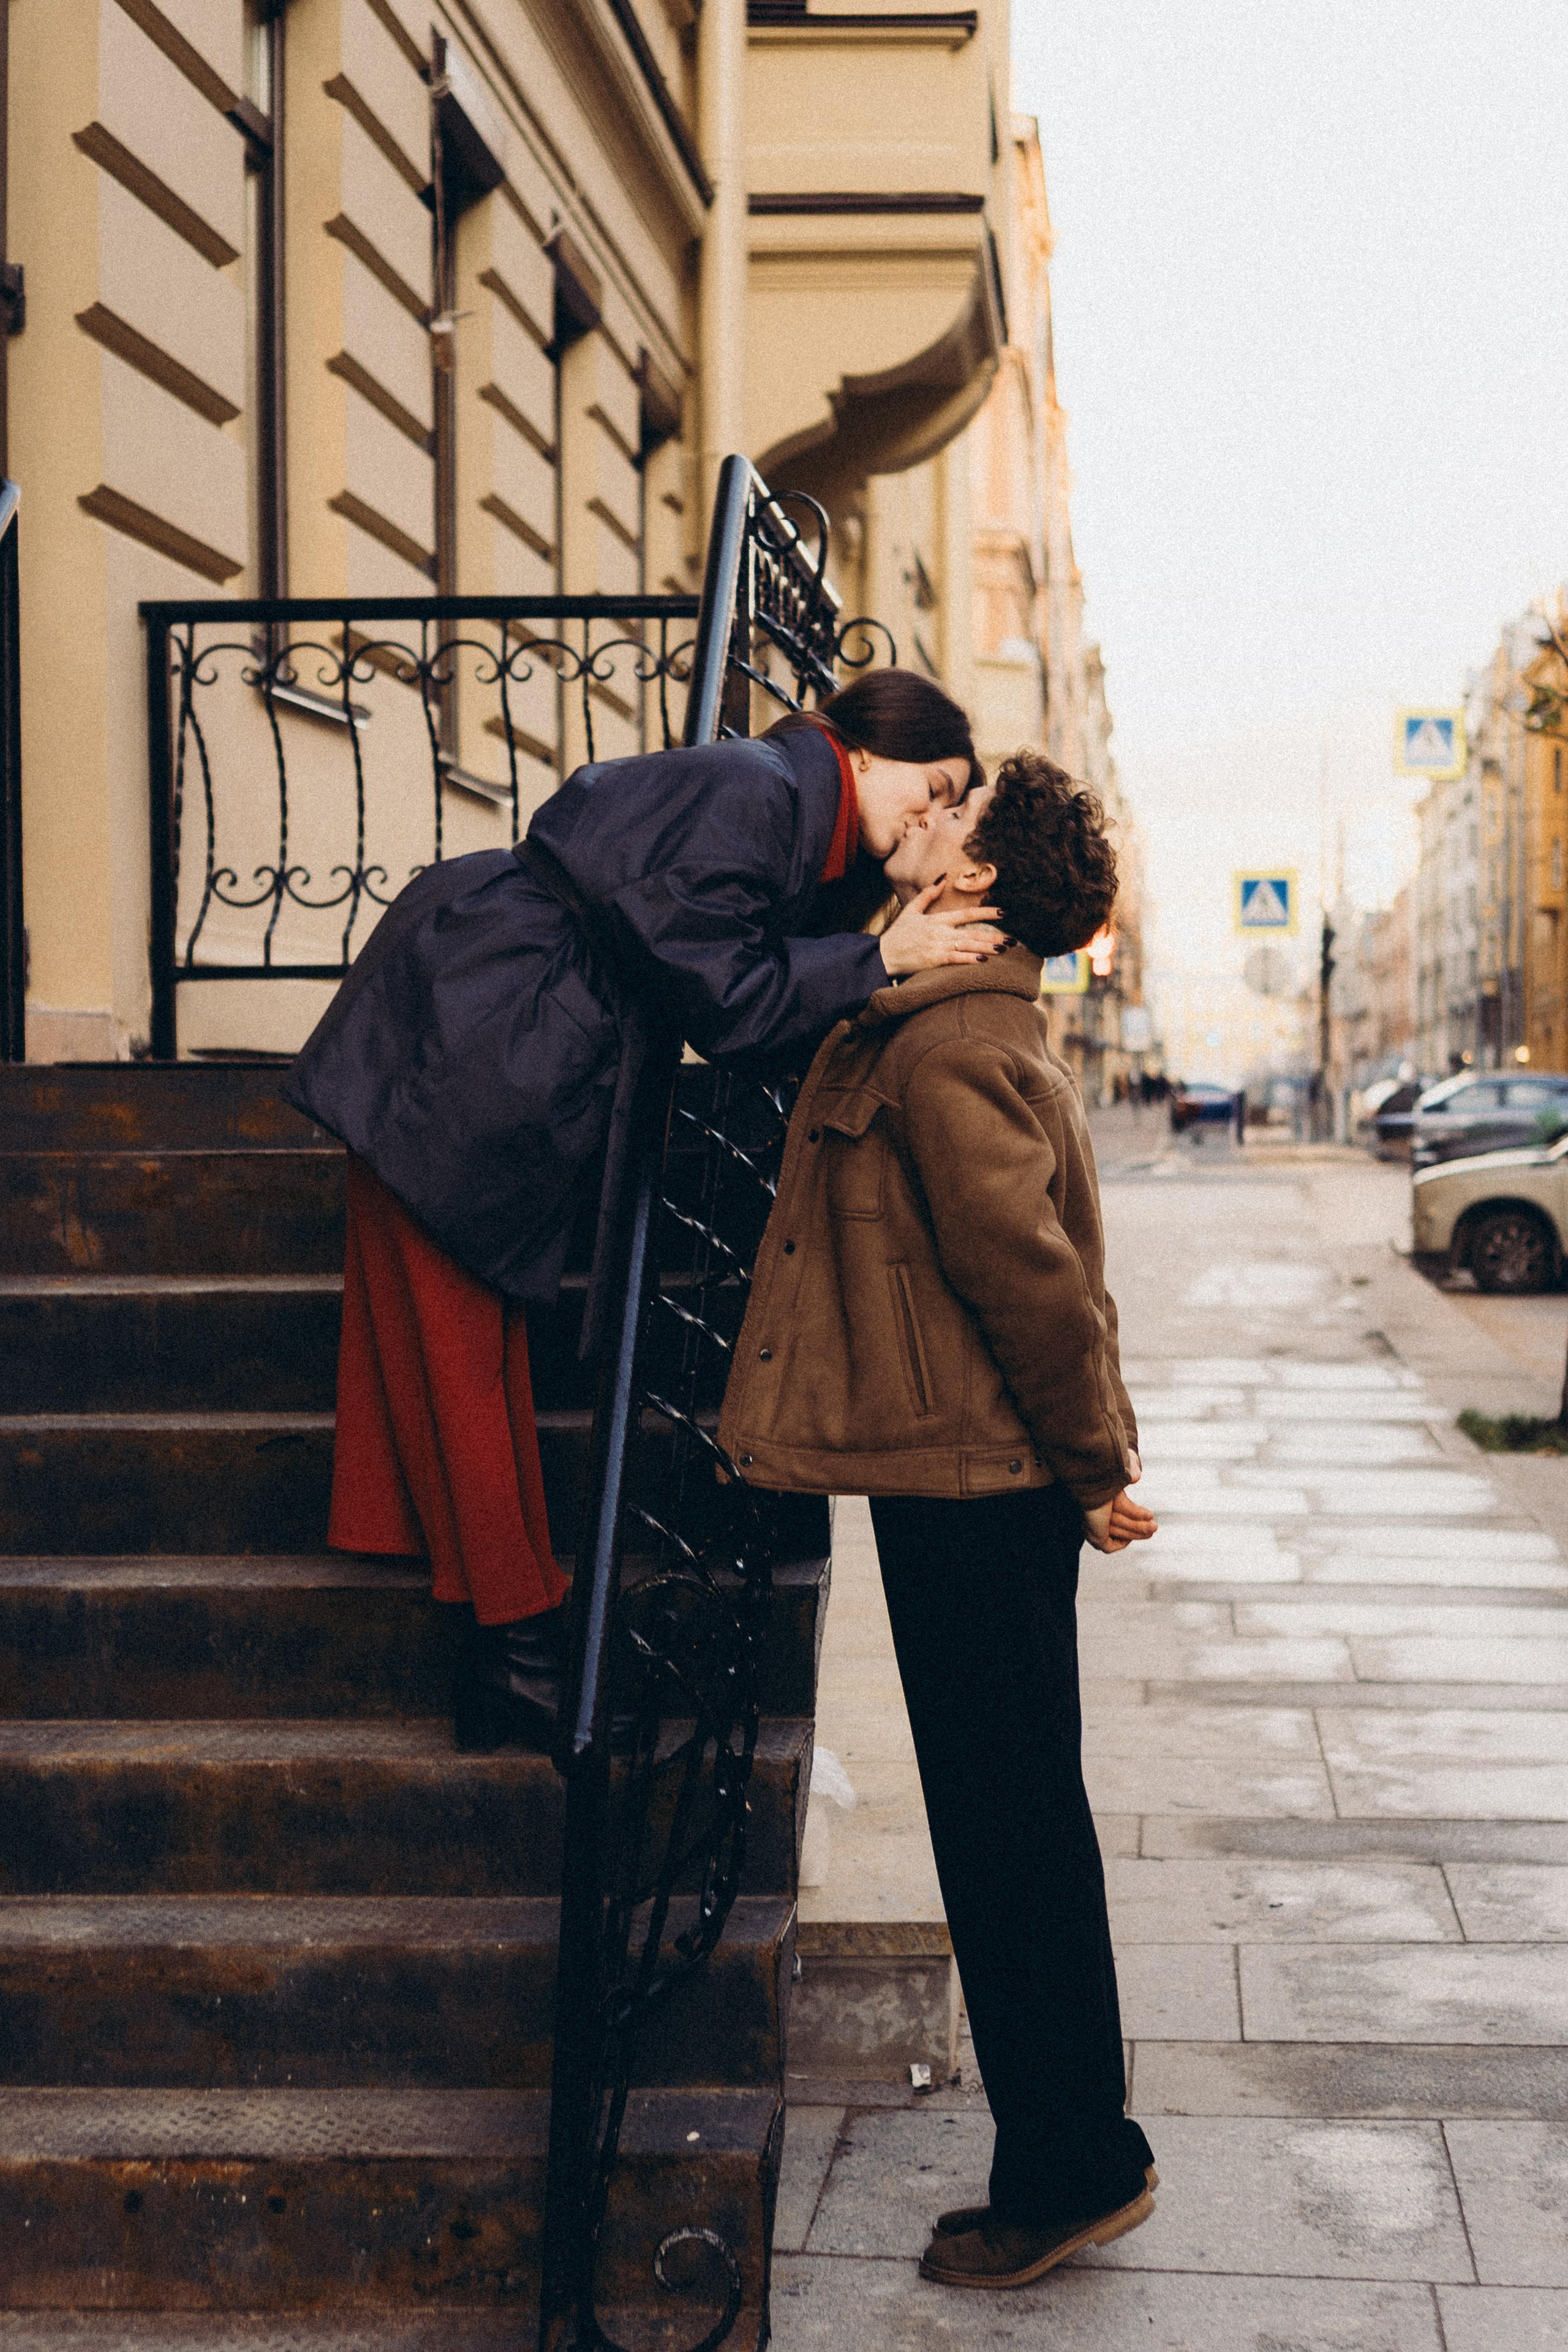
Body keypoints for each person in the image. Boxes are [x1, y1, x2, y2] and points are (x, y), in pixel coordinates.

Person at [282, 673, 1005, 1752]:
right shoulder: (761, 789)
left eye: (956, 808)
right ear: (863, 746)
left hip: (487, 1015)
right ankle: (521, 1657)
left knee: (450, 1348)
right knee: (456, 1354)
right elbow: (726, 993)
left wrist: (888, 925)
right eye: (934, 787)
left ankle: (508, 1652)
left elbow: (735, 966)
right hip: (479, 1024)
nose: (934, 815)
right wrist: (881, 955)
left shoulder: (784, 807)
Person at [718, 750, 1159, 2289]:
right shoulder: (932, 1020)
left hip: (981, 1487)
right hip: (960, 1476)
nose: (919, 822)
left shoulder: (947, 1046)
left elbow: (1030, 1277)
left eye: (948, 818)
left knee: (1010, 1829)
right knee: (1012, 1816)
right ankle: (1072, 2147)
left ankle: (1072, 2162)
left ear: (971, 881)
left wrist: (1094, 1466)